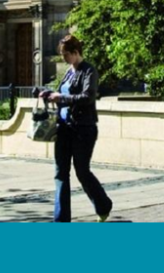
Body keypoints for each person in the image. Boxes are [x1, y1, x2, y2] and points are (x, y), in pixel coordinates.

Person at [39, 35, 113, 223]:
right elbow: (62, 92)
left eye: (65, 55)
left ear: (75, 52)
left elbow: (88, 97)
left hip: (83, 129)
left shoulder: (89, 71)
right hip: (63, 128)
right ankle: (61, 220)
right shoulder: (69, 72)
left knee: (82, 171)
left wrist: (61, 98)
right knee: (60, 172)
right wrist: (48, 94)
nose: (63, 58)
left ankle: (103, 205)